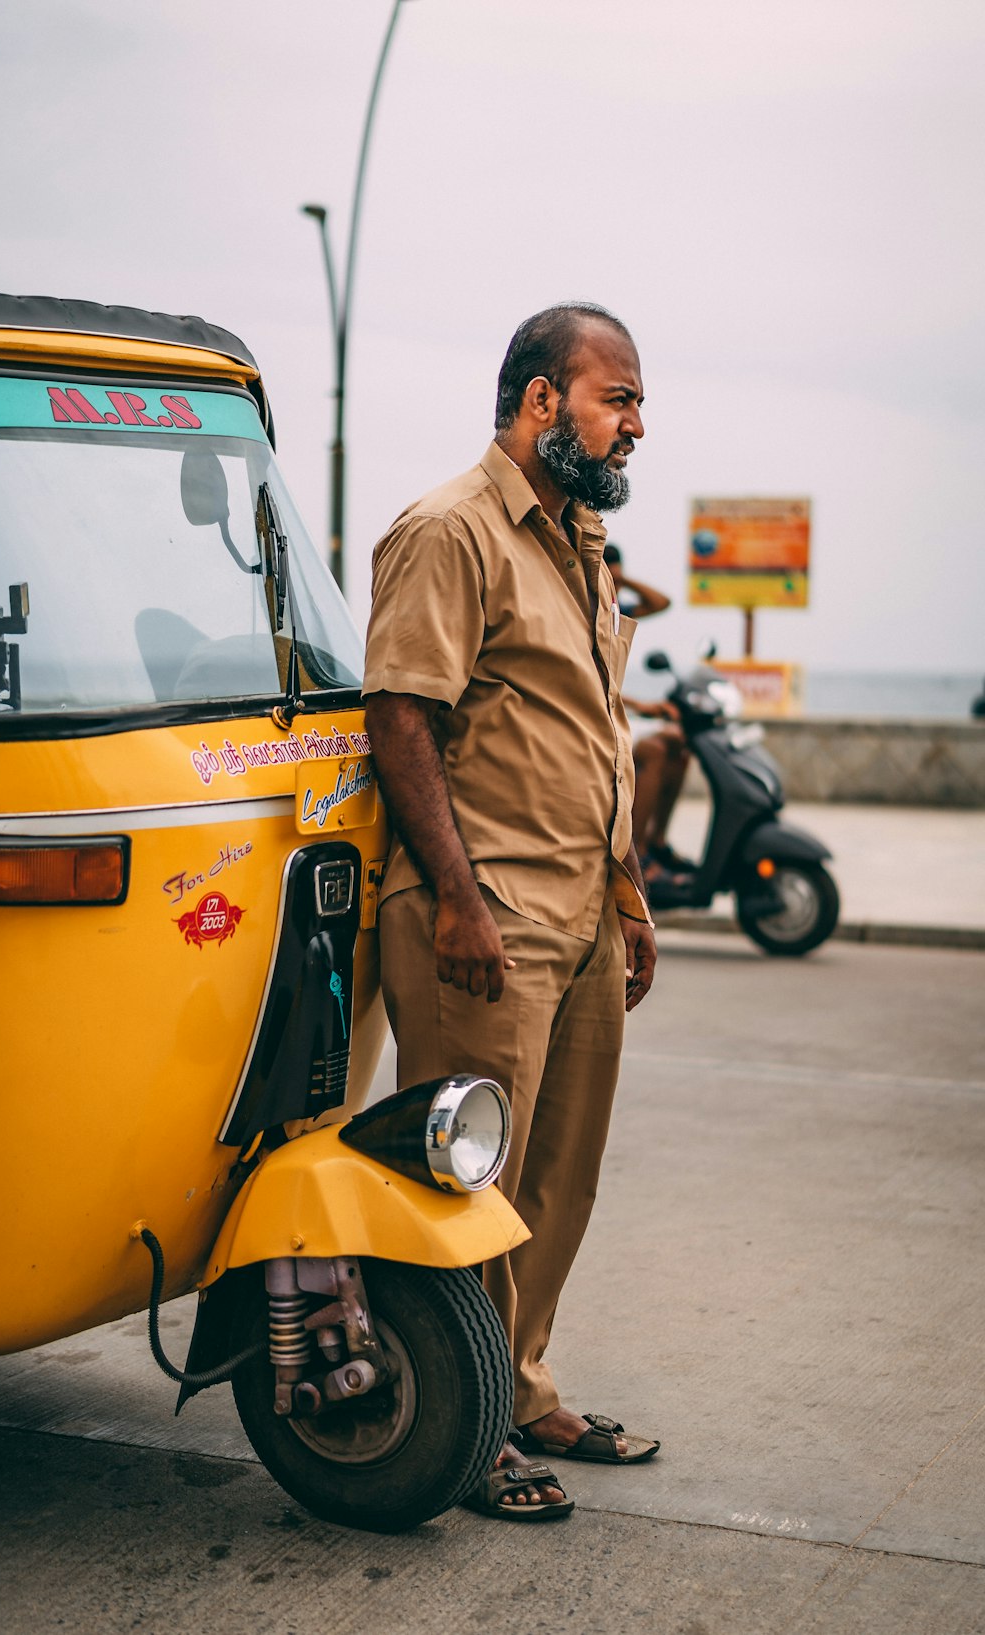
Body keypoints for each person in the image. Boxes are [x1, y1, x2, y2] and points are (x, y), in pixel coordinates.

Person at [363, 302, 660, 1522]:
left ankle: (522, 1382)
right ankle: (465, 1426)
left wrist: (629, 894)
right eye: (618, 398)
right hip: (481, 918)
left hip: (581, 911)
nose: (637, 425)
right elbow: (400, 716)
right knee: (468, 1187)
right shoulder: (450, 531)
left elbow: (591, 731)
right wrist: (457, 898)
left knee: (556, 1178)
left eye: (637, 404)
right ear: (543, 401)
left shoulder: (579, 538)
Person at [603, 543, 694, 876]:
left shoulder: (619, 609)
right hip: (598, 714)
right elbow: (591, 679)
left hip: (615, 708)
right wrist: (640, 704)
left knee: (679, 748)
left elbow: (662, 603)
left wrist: (624, 580)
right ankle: (637, 851)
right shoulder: (586, 606)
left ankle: (657, 840)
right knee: (655, 750)